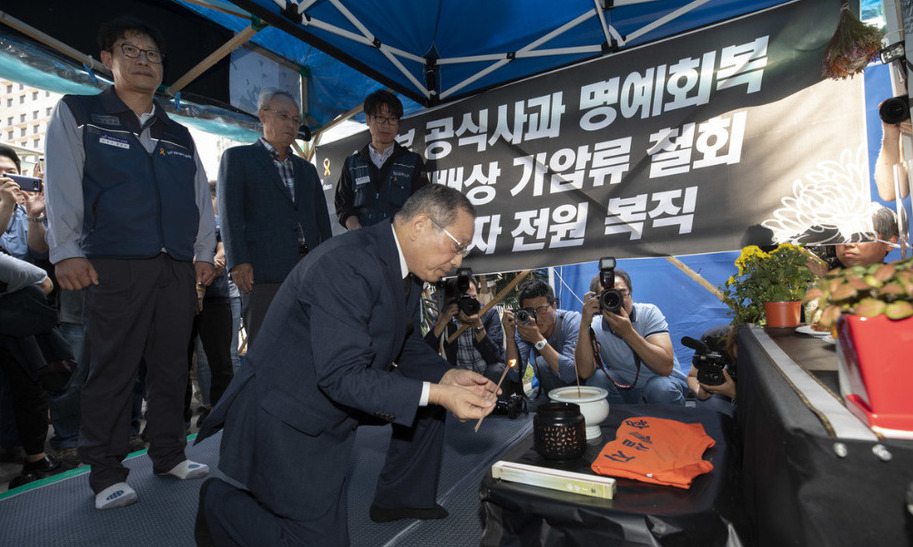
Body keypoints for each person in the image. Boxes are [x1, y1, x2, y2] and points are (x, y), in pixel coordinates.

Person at [195, 184, 498, 546]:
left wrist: (446, 374)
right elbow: (343, 376)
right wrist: (438, 394)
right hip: (283, 414)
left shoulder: (403, 266)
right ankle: (218, 504)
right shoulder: (346, 264)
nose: (458, 261)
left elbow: (403, 336)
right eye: (457, 245)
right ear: (420, 224)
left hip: (326, 410)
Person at [43, 16, 216, 510]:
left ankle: (168, 453)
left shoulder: (178, 132)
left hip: (176, 268)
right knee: (111, 370)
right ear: (107, 60)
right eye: (131, 51)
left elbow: (198, 198)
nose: (144, 61)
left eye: (152, 54)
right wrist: (66, 250)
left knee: (170, 367)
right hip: (113, 264)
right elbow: (61, 184)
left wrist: (203, 254)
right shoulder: (79, 112)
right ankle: (106, 472)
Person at [218, 89, 332, 343]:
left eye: (295, 120)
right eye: (283, 116)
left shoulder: (307, 169)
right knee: (266, 348)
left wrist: (324, 264)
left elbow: (321, 221)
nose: (290, 125)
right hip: (262, 273)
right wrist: (238, 262)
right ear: (263, 115)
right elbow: (230, 215)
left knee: (308, 344)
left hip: (307, 270)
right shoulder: (239, 159)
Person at [575, 271, 689, 405]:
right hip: (625, 388)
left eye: (622, 294)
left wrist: (628, 333)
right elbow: (584, 373)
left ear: (631, 294)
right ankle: (617, 423)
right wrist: (584, 324)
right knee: (596, 380)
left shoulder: (648, 313)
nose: (616, 300)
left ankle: (668, 425)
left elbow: (665, 367)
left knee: (659, 388)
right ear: (597, 300)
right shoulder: (595, 326)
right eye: (608, 296)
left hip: (663, 383)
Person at [334, 89, 428, 230]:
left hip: (399, 243)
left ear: (398, 124)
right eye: (380, 118)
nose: (386, 125)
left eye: (392, 119)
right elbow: (343, 205)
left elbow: (424, 203)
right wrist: (356, 228)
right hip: (362, 242)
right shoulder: (352, 164)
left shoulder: (412, 162)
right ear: (368, 119)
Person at [503, 279, 581, 398]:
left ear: (554, 305)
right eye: (529, 311)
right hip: (549, 390)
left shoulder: (571, 321)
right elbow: (514, 374)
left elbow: (571, 374)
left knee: (542, 362)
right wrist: (510, 337)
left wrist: (538, 340)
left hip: (581, 386)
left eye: (542, 309)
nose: (536, 317)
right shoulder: (525, 328)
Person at [424, 275, 506, 383]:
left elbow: (496, 357)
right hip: (459, 378)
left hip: (487, 375)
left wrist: (478, 325)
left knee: (496, 370)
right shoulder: (447, 318)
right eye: (465, 298)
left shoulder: (488, 314)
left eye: (473, 298)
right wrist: (443, 321)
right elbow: (425, 352)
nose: (470, 303)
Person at [0, 145, 48, 261]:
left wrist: (34, 216)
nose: (5, 178)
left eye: (10, 173)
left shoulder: (24, 211)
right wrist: (7, 203)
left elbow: (40, 253)